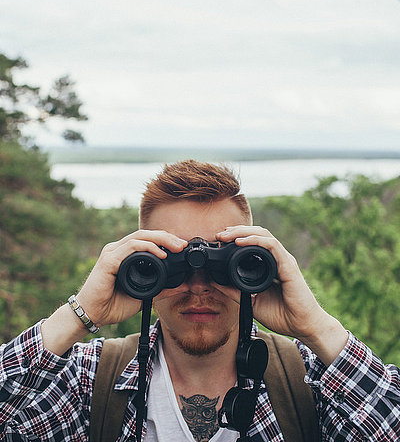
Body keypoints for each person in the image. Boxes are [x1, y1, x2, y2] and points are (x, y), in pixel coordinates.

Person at [0, 159, 399, 442]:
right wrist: (80, 314)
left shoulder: (309, 380)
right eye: (167, 264)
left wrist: (315, 324)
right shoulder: (89, 380)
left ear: (259, 265)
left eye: (225, 263)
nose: (198, 286)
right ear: (138, 268)